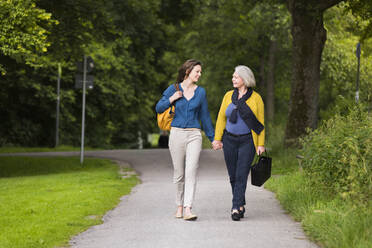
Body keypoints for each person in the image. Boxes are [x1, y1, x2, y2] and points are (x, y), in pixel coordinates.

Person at [155, 59, 215, 221]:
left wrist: (214, 138)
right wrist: (172, 98)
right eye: (197, 71)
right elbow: (159, 108)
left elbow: (205, 117)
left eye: (200, 72)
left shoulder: (201, 92)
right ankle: (179, 207)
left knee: (191, 171)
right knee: (179, 173)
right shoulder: (173, 89)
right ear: (188, 71)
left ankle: (188, 208)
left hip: (194, 134)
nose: (200, 74)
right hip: (176, 134)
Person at [212, 65, 265, 221]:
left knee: (241, 173)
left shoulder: (256, 98)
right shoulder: (228, 96)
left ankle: (235, 207)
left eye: (236, 77)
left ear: (245, 79)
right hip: (229, 139)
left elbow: (260, 123)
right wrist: (217, 139)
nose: (233, 79)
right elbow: (222, 118)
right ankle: (240, 203)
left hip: (248, 140)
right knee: (233, 175)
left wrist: (260, 144)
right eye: (233, 77)